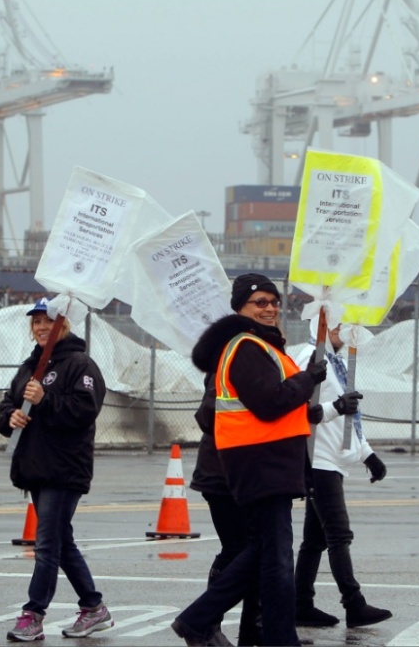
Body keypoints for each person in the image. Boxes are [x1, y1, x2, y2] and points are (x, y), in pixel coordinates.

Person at [172, 273, 326, 647]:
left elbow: (274, 404)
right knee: (269, 558)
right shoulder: (244, 347)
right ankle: (208, 622)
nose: (270, 308)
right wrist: (307, 381)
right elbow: (269, 402)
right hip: (258, 465)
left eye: (274, 302)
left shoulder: (262, 347)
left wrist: (307, 406)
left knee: (265, 555)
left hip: (265, 463)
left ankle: (235, 627)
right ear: (240, 308)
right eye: (260, 303)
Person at [0, 298, 112, 642]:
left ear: (64, 324)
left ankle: (33, 614)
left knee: (46, 544)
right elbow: (8, 403)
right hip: (35, 467)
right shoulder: (30, 366)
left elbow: (83, 411)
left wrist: (46, 398)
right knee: (61, 541)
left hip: (65, 469)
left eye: (48, 321)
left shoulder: (81, 365)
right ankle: (93, 607)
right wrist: (11, 417)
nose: (41, 327)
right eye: (36, 322)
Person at [291, 324, 392, 629]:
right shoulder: (311, 356)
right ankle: (354, 604)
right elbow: (299, 410)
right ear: (320, 326)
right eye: (335, 324)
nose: (344, 329)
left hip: (333, 461)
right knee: (338, 535)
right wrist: (336, 406)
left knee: (315, 540)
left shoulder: (338, 363)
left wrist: (367, 455)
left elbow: (347, 419)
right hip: (318, 461)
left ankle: (301, 604)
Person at [189, 367, 259, 646]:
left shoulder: (263, 356)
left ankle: (253, 626)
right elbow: (206, 415)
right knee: (241, 550)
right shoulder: (229, 361)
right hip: (223, 474)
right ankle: (204, 623)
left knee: (257, 551)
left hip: (248, 472)